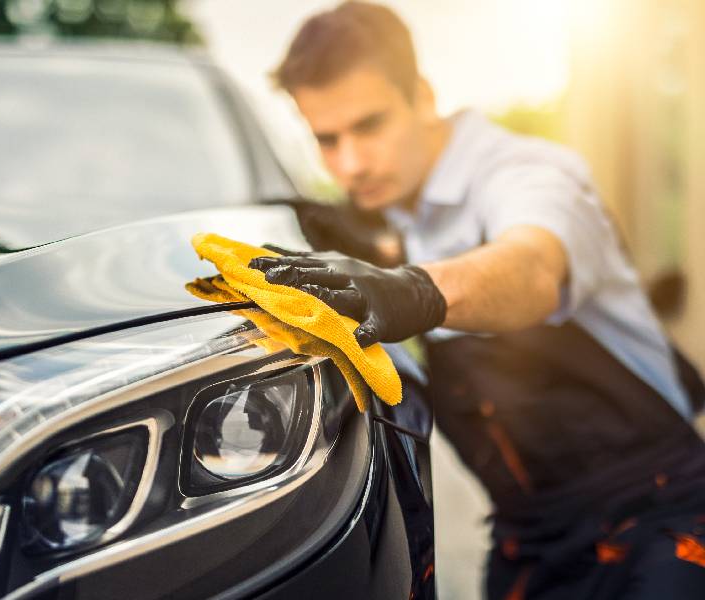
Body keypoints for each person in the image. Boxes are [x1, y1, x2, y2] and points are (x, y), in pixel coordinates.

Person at [250, 2, 705, 598]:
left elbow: (534, 266)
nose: (350, 163)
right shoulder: (399, 216)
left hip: (659, 520)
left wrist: (414, 290)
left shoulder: (527, 172)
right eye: (326, 139)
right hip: (529, 540)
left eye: (369, 126)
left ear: (423, 94)